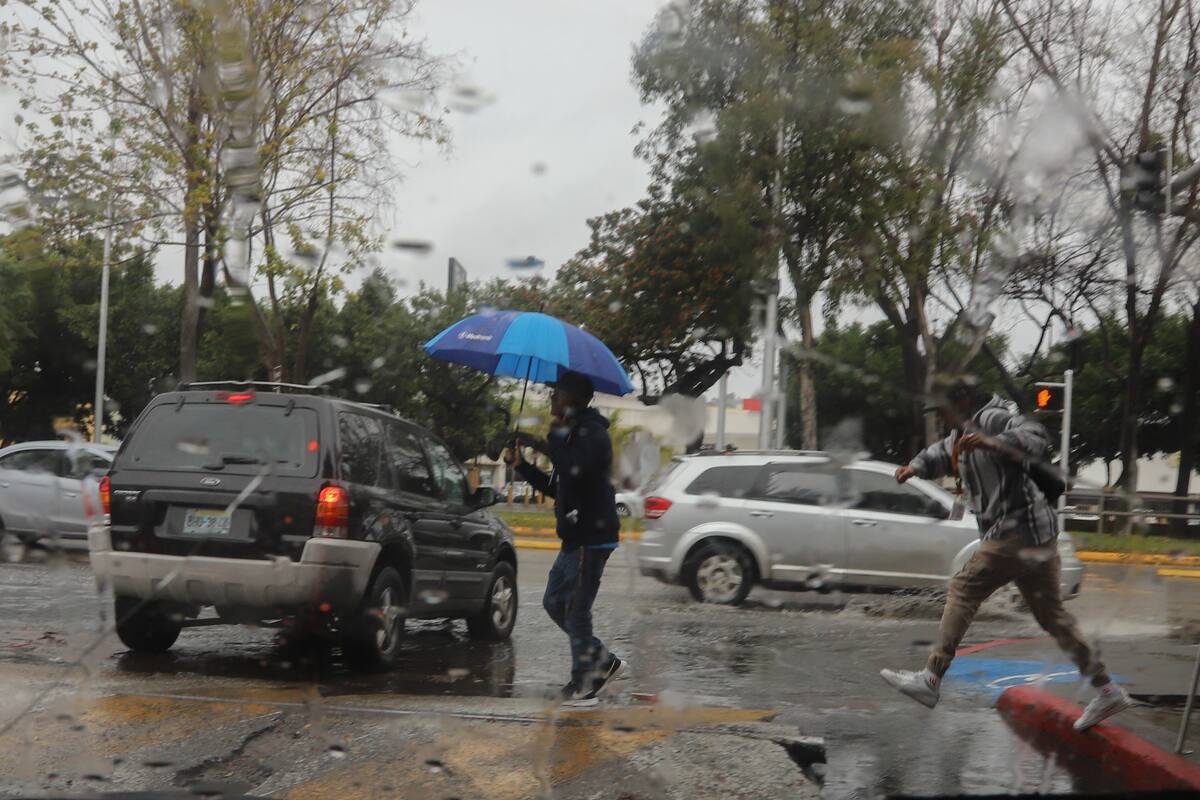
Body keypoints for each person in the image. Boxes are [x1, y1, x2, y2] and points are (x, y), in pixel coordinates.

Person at [880, 378, 1130, 732]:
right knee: (1053, 618)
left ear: (963, 401)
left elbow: (1035, 436)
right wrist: (915, 467)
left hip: (1019, 530)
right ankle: (1107, 690)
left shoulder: (994, 418)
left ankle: (930, 680)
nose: (943, 419)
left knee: (964, 587)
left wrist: (994, 441)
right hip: (1037, 534)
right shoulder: (959, 433)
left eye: (945, 411)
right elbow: (940, 452)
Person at [505, 370, 628, 707]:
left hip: (592, 535)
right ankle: (602, 660)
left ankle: (585, 683)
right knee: (553, 602)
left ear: (571, 399)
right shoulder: (573, 434)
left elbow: (575, 468)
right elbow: (559, 487)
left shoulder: (591, 435)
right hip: (576, 537)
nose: (550, 399)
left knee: (575, 610)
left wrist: (548, 440)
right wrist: (524, 465)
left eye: (555, 393)